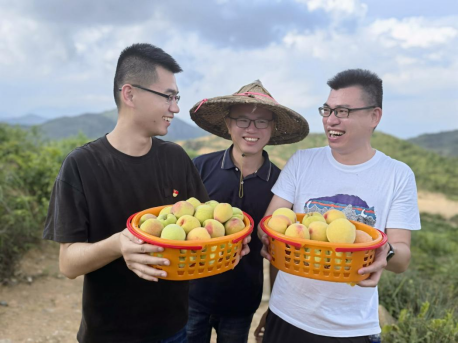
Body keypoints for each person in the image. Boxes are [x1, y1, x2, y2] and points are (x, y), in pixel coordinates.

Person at [43, 43, 214, 342]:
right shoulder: (82, 165)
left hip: (174, 330)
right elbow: (68, 263)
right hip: (110, 333)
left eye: (177, 98)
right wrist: (118, 244)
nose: (175, 107)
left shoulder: (176, 158)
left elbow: (203, 228)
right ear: (130, 94)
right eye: (168, 96)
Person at [257, 69, 421, 343]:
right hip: (286, 315)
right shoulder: (302, 162)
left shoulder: (397, 175)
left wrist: (386, 252)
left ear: (374, 116)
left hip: (351, 328)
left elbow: (402, 257)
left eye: (343, 111)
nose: (331, 120)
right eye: (327, 110)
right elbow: (272, 224)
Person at [186, 80, 309, 342]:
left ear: (272, 128)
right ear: (228, 124)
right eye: (242, 120)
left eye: (262, 121)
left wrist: (275, 307)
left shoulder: (281, 185)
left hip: (241, 303)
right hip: (191, 296)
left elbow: (280, 253)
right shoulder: (200, 168)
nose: (251, 129)